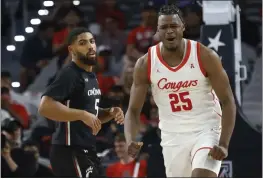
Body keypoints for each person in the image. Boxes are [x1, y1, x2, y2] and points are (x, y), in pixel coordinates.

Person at [124, 4, 236, 177]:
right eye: (164, 27)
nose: (169, 31)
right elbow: (133, 110)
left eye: (174, 26)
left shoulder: (205, 56)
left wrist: (224, 144)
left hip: (206, 129)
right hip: (172, 135)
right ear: (158, 31)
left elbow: (228, 101)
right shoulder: (145, 63)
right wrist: (130, 139)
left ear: (183, 27)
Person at [38, 27, 124, 177]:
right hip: (69, 149)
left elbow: (92, 116)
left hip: (87, 147)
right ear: (72, 49)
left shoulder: (91, 76)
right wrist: (82, 114)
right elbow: (45, 106)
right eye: (83, 43)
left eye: (92, 41)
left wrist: (110, 112)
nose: (90, 46)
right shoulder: (69, 73)